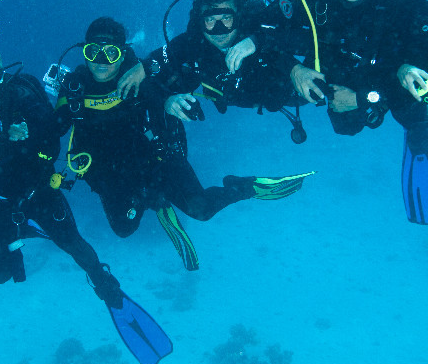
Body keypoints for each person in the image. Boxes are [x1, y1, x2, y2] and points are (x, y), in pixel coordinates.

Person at [0, 44, 172, 364]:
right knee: (0, 276)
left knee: (75, 246)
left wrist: (0, 152)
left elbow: (50, 142)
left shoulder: (20, 98)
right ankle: (29, 229)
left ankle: (108, 287)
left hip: (37, 193)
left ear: (1, 74)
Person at [55, 17, 312, 271]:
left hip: (156, 161)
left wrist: (169, 101)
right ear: (84, 52)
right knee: (124, 229)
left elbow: (156, 91)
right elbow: (54, 128)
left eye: (110, 53)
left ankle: (243, 187)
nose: (101, 61)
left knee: (201, 210)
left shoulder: (138, 75)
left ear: (122, 54)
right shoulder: (74, 88)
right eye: (93, 52)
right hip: (110, 172)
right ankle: (156, 200)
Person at [247, 0, 428, 224]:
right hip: (336, 64)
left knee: (413, 102)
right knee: (346, 126)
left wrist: (364, 98)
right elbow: (264, 24)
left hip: (387, 70)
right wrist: (294, 69)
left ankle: (418, 135)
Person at [127, 0, 308, 141]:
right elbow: (157, 63)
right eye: (210, 20)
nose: (219, 30)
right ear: (200, 21)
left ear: (239, 17)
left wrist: (262, 43)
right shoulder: (193, 42)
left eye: (227, 18)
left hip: (268, 92)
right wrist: (164, 97)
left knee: (300, 97)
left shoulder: (258, 31)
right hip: (226, 95)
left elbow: (301, 41)